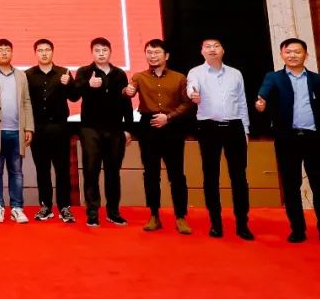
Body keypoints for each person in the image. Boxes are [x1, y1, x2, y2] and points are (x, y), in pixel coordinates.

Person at [257, 37, 320, 247]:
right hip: (288, 139)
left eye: (297, 51)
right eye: (288, 52)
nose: (292, 55)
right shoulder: (273, 77)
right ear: (281, 55)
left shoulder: (318, 80)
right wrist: (261, 102)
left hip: (315, 139)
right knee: (291, 186)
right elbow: (264, 93)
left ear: (306, 54)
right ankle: (297, 229)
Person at [123, 39, 195, 234]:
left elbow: (187, 103)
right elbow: (128, 91)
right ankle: (154, 215)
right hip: (148, 127)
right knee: (151, 174)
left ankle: (181, 216)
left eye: (156, 52)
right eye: (149, 52)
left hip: (172, 127)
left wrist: (168, 117)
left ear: (166, 56)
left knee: (176, 174)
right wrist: (127, 91)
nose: (152, 56)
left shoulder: (179, 78)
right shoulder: (139, 76)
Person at [187, 37, 253, 240]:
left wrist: (245, 129)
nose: (212, 49)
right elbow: (191, 87)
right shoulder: (196, 72)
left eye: (216, 46)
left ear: (223, 50)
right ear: (202, 51)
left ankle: (242, 224)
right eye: (207, 46)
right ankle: (215, 223)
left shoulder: (235, 73)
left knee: (239, 177)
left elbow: (242, 102)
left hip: (235, 127)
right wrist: (193, 95)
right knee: (210, 176)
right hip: (208, 128)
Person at [73, 37, 133, 228]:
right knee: (91, 171)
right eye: (97, 50)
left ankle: (113, 212)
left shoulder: (119, 74)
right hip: (90, 128)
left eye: (104, 50)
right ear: (92, 52)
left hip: (115, 129)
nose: (101, 53)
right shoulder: (84, 71)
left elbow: (126, 102)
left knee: (113, 172)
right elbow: (74, 95)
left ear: (110, 52)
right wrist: (88, 85)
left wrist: (128, 128)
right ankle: (92, 213)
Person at [25, 38, 80, 224]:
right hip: (38, 129)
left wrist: (69, 84)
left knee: (62, 169)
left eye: (47, 50)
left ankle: (64, 207)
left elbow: (74, 97)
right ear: (36, 53)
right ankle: (46, 206)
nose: (44, 53)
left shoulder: (64, 72)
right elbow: (25, 102)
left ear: (52, 52)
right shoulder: (28, 75)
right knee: (42, 169)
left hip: (60, 128)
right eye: (40, 50)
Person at [0, 39, 35, 224]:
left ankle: (17, 208)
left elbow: (26, 101)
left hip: (16, 131)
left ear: (12, 52)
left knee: (17, 171)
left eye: (7, 50)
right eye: (0, 50)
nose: (4, 53)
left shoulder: (21, 75)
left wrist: (29, 127)